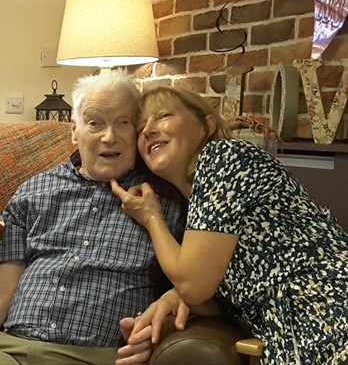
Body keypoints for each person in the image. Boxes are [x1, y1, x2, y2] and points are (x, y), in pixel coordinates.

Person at [111, 86, 348, 364]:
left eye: (163, 116)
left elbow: (194, 285)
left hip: (332, 314)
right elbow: (222, 292)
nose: (148, 130)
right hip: (296, 337)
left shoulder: (223, 156)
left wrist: (152, 218)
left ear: (206, 126)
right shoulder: (197, 211)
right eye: (141, 128)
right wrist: (172, 299)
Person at [0, 71, 188, 365]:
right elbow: (6, 287)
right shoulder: (32, 191)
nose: (109, 136)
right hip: (10, 348)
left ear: (137, 130)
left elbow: (194, 282)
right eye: (94, 123)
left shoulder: (165, 199)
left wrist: (159, 327)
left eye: (122, 122)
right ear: (74, 130)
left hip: (96, 356)